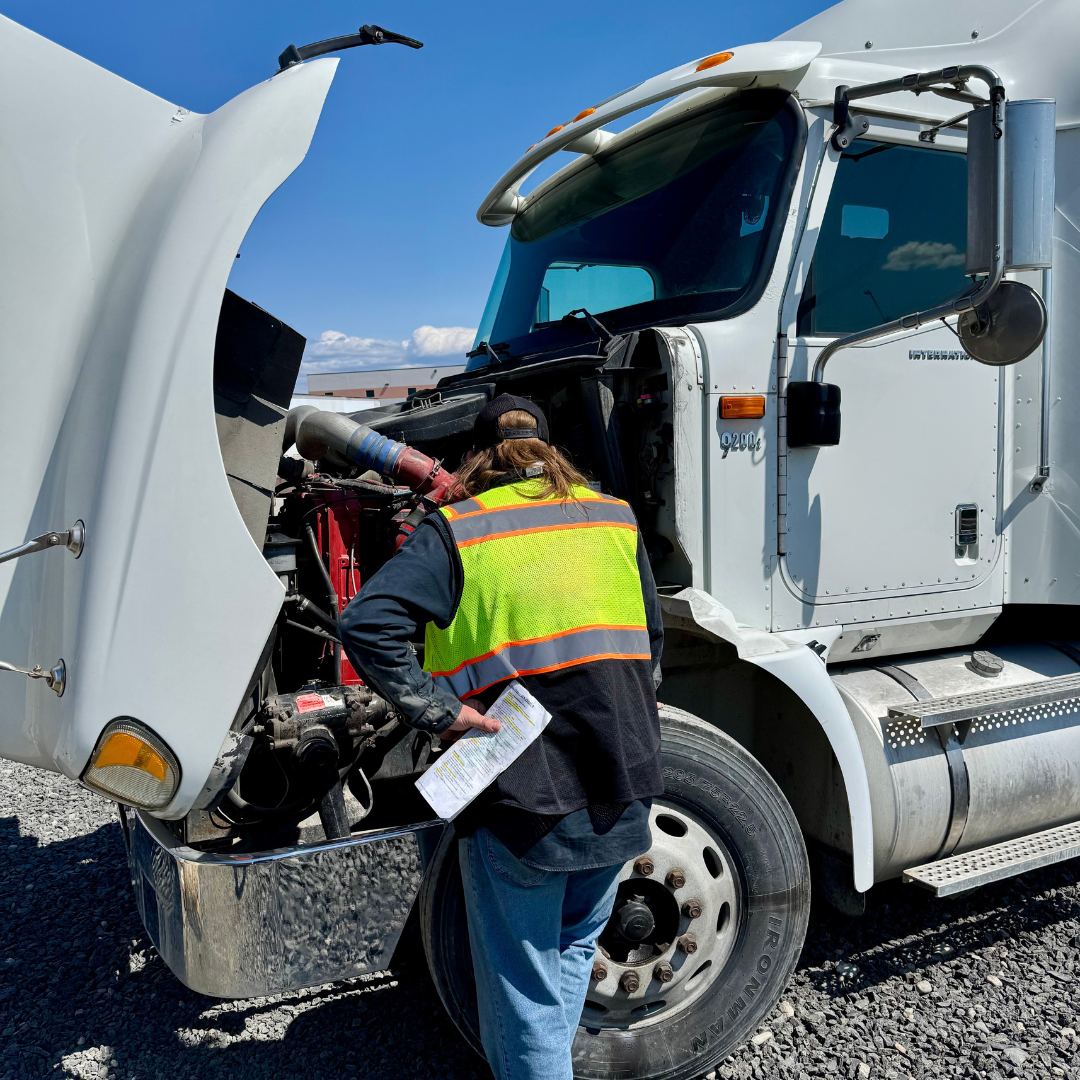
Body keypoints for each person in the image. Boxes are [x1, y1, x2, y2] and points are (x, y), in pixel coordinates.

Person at [339, 393, 664, 1080]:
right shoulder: (614, 518)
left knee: (523, 992)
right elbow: (651, 646)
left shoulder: (458, 528)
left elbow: (366, 624)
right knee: (575, 949)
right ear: (550, 451)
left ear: (477, 459)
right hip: (623, 778)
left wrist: (439, 711)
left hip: (522, 795)